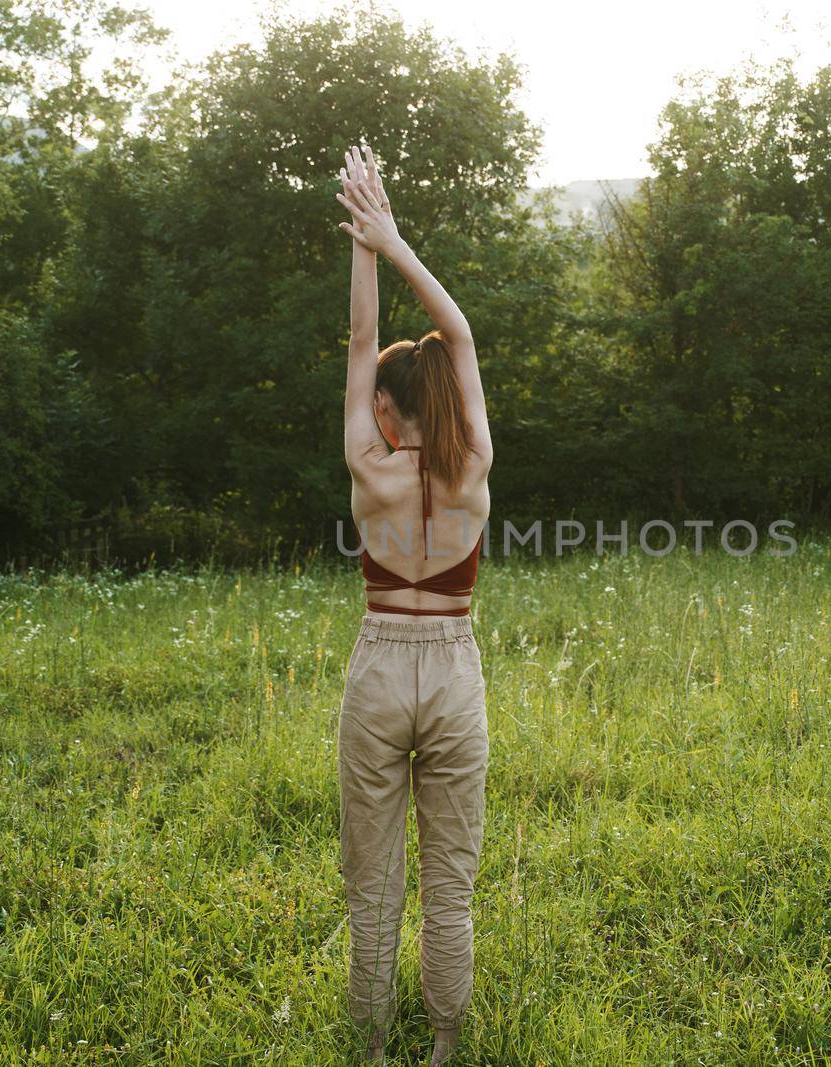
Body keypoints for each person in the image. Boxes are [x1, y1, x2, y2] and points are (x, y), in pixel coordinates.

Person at [333, 143, 493, 1066]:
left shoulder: (369, 469)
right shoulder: (472, 471)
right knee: (451, 884)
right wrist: (395, 239)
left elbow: (362, 343)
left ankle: (367, 1047)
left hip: (381, 667)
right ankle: (442, 1045)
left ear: (388, 411)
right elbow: (459, 335)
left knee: (373, 882)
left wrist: (362, 239)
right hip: (454, 669)